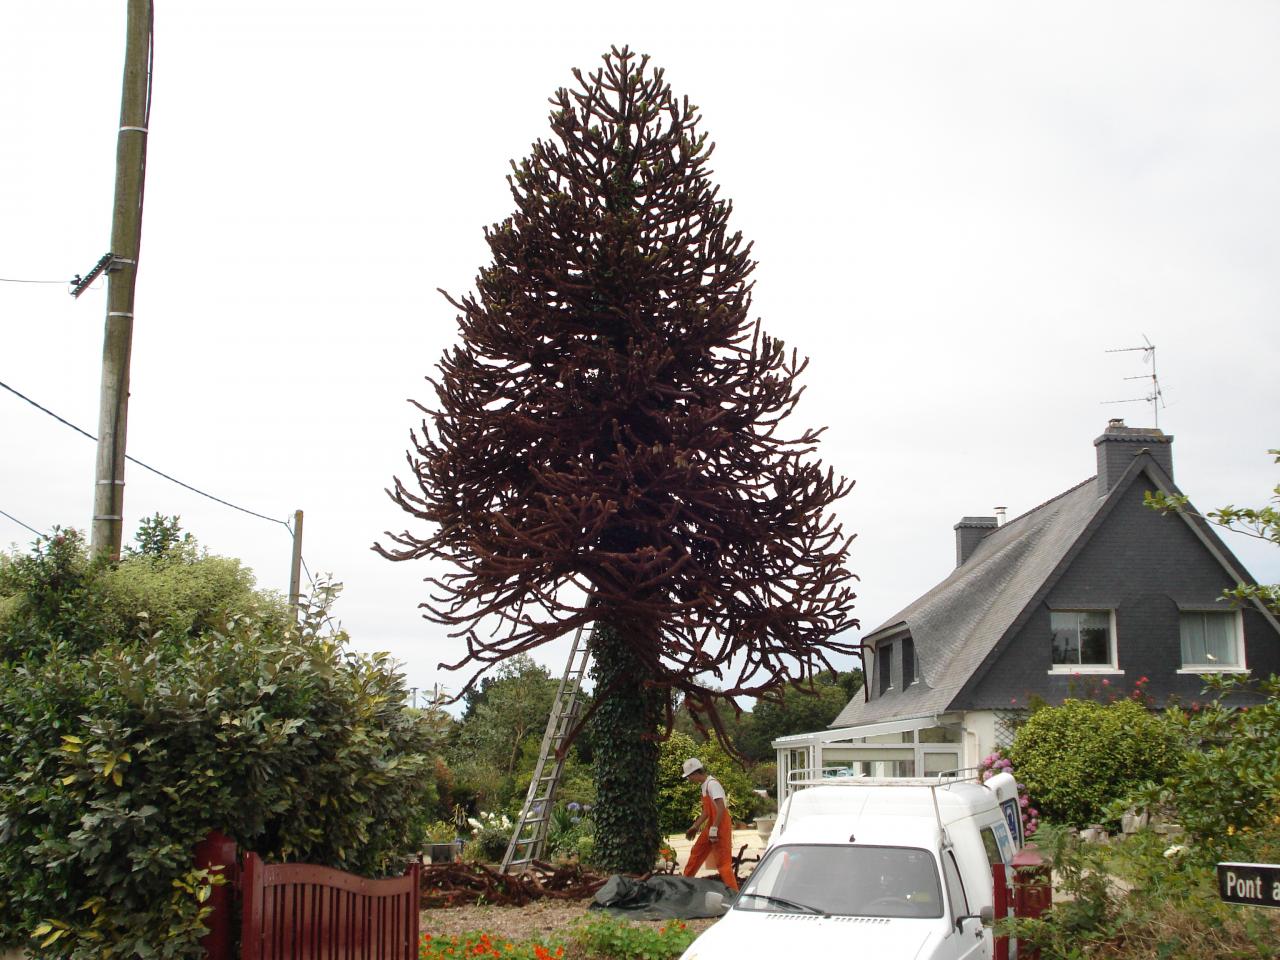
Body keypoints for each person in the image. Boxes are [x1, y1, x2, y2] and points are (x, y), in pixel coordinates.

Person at [680, 758, 739, 891]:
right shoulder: (704, 785)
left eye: (689, 776)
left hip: (720, 826)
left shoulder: (712, 784)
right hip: (712, 826)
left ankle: (734, 895)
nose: (689, 779)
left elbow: (721, 808)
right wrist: (695, 826)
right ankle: (684, 885)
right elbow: (707, 811)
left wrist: (714, 828)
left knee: (723, 864)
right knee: (697, 852)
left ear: (695, 773)